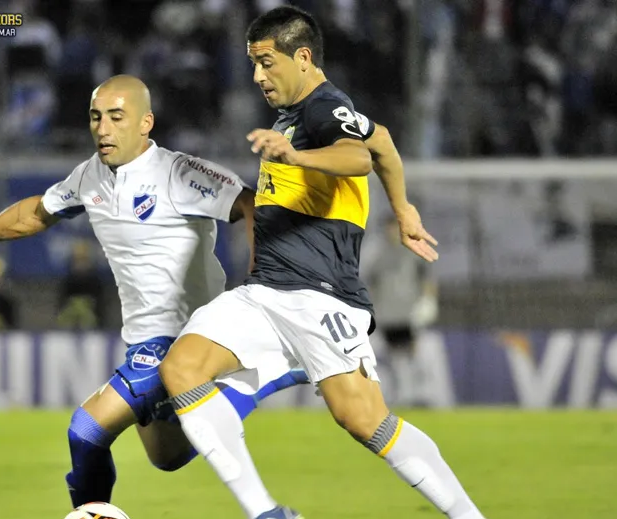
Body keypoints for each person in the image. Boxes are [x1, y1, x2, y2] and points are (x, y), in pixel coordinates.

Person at [0, 75, 306, 508]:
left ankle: (92, 515)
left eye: (116, 117)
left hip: (185, 333)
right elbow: (36, 213)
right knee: (166, 455)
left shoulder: (180, 173)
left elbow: (252, 205)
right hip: (141, 339)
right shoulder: (90, 177)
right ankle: (264, 374)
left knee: (86, 430)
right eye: (96, 117)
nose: (103, 128)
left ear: (145, 123)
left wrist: (260, 282)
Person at [159, 7, 487, 519]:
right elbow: (381, 142)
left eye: (266, 62)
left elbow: (356, 157)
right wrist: (402, 209)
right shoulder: (301, 113)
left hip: (319, 295)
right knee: (181, 368)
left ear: (303, 57)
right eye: (252, 64)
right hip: (265, 292)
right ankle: (266, 512)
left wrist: (296, 157)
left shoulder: (321, 106)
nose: (257, 76)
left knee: (363, 419)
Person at [366, 215, 439, 407]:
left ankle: (423, 394)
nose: (391, 232)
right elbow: (370, 282)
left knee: (416, 354)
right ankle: (401, 395)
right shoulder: (377, 254)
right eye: (389, 228)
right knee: (394, 357)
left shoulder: (413, 252)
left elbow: (427, 278)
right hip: (387, 314)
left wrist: (429, 300)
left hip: (410, 313)